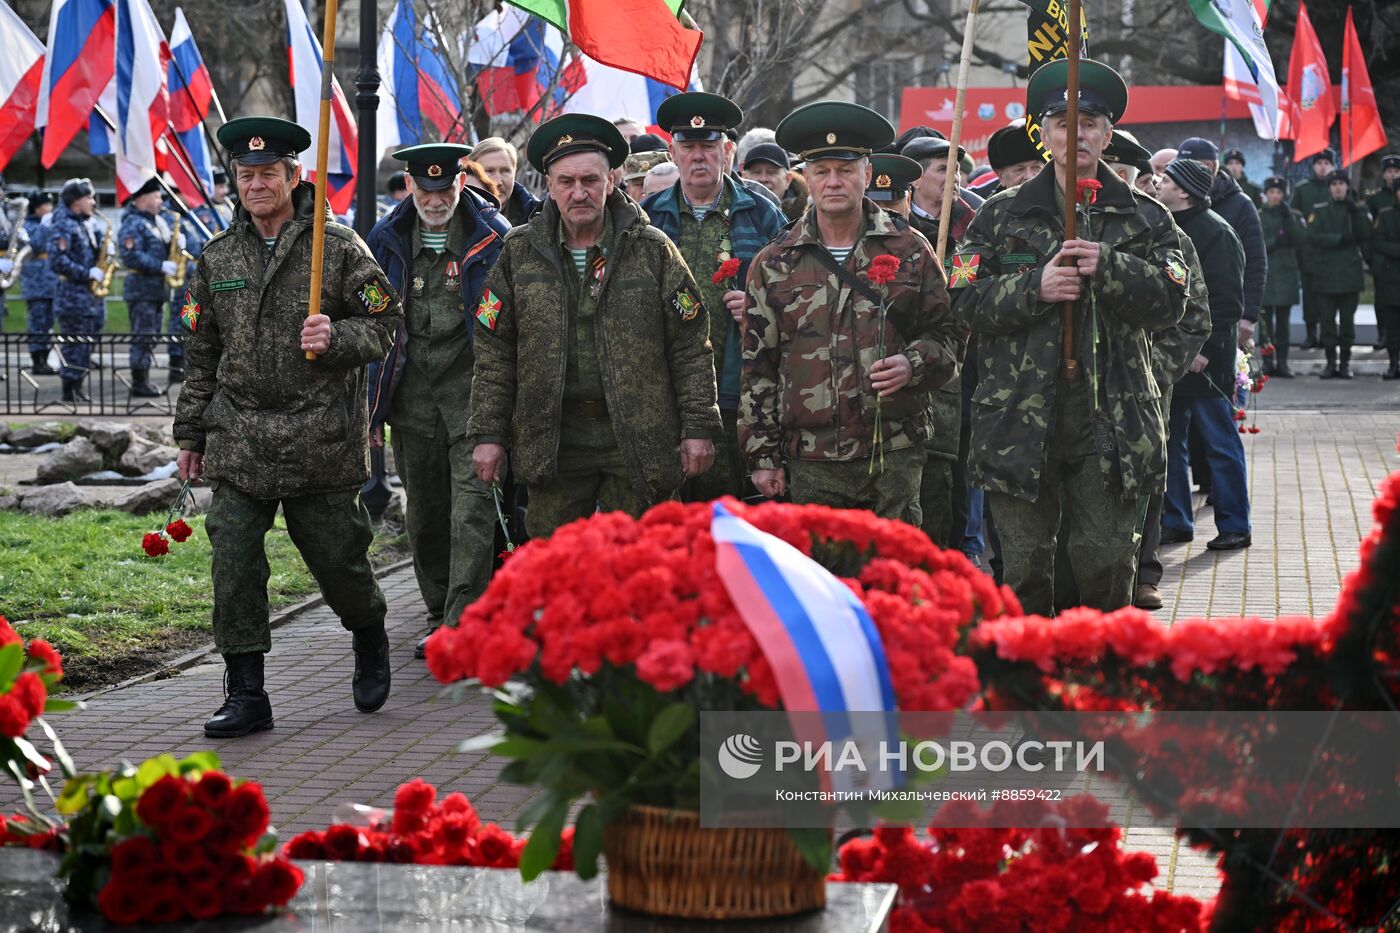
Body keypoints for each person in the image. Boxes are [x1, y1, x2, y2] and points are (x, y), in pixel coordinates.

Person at [174, 116, 402, 737]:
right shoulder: (218, 255)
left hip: (318, 436)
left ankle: (369, 631)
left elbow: (385, 324)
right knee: (235, 558)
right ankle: (246, 691)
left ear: (293, 175)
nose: (256, 185)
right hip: (240, 434)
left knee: (339, 561)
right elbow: (201, 351)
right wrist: (190, 434)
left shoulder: (337, 244)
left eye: (267, 174)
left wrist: (337, 335)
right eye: (245, 176)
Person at [951, 59, 1188, 616]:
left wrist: (1109, 267)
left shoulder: (1147, 217)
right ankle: (1030, 688)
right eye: (1062, 122)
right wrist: (1036, 286)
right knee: (1025, 568)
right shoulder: (997, 216)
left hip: (1111, 418)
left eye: (1090, 123)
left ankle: (1098, 685)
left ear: (1108, 135)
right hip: (1017, 417)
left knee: (1106, 564)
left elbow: (1174, 300)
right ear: (1044, 132)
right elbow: (961, 297)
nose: (1076, 133)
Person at [468, 114, 721, 537]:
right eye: (566, 181)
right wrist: (488, 433)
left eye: (590, 179)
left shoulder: (652, 251)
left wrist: (698, 427)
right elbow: (494, 352)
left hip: (639, 435)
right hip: (554, 437)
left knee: (648, 560)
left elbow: (691, 345)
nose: (579, 192)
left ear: (611, 181)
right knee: (556, 567)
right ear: (548, 185)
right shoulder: (519, 254)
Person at [742, 101, 960, 521]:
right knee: (824, 579)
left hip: (893, 451)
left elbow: (949, 336)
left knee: (896, 578)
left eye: (845, 170)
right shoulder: (774, 262)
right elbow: (758, 365)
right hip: (812, 458)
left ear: (866, 172)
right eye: (821, 172)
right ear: (806, 177)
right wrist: (761, 453)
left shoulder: (911, 249)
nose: (834, 182)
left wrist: (912, 364)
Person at [367, 143, 509, 657]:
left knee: (471, 513)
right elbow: (370, 327)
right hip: (411, 406)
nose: (435, 199)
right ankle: (436, 611)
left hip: (474, 402)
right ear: (409, 185)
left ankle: (461, 625)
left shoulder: (492, 239)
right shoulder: (384, 240)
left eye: (445, 188)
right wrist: (369, 410)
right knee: (424, 516)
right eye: (425, 190)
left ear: (461, 184)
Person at [640, 92, 784, 503]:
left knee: (733, 515)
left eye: (709, 147)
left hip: (742, 393)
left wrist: (758, 307)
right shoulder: (649, 218)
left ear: (729, 152)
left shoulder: (763, 214)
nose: (699, 157)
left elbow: (799, 294)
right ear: (673, 151)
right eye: (688, 147)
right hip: (666, 394)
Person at [1156, 158, 1250, 551]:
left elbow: (1227, 303)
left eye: (1166, 179)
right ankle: (1176, 520)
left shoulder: (1217, 233)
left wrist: (1204, 351)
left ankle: (1235, 524)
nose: (1158, 183)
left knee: (1220, 442)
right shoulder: (1167, 228)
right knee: (1170, 441)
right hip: (1175, 357)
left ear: (1185, 191)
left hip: (1206, 361)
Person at [898, 134, 975, 546]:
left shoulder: (973, 222)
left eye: (958, 168)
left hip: (966, 365)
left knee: (958, 479)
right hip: (914, 368)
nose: (955, 177)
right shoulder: (896, 225)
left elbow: (972, 283)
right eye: (944, 168)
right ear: (914, 178)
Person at [1178, 137, 1266, 353]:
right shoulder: (1181, 201)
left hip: (1225, 320)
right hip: (1185, 317)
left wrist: (1249, 316)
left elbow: (1256, 262)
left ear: (1208, 167)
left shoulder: (1240, 205)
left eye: (1185, 166)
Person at [118, 176, 182, 398]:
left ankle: (143, 378)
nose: (160, 201)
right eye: (156, 196)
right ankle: (139, 382)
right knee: (143, 335)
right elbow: (130, 255)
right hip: (141, 289)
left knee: (152, 335)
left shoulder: (158, 221)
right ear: (142, 198)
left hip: (157, 289)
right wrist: (160, 265)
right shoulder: (133, 223)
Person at [1307, 170, 1372, 379]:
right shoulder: (1319, 210)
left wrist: (1357, 214)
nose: (1338, 187)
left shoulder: (1357, 209)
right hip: (1325, 275)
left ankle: (1344, 363)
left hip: (1349, 275)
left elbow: (1365, 235)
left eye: (1341, 184)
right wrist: (1338, 239)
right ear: (1329, 187)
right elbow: (1313, 236)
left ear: (1347, 186)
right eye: (1334, 184)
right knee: (1326, 323)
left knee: (1346, 323)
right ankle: (1330, 363)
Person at [48, 178, 108, 403]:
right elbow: (57, 260)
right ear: (76, 202)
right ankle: (69, 390)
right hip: (73, 296)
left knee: (87, 343)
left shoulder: (86, 222)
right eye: (89, 198)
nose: (93, 202)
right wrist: (87, 273)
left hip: (89, 297)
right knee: (74, 344)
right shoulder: (64, 223)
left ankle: (79, 386)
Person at [1292, 148, 1338, 350]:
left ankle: (1329, 335)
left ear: (1332, 166)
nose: (1323, 167)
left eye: (1326, 163)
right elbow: (1294, 216)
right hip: (1309, 252)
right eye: (1319, 163)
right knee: (1310, 295)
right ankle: (1311, 334)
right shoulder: (1303, 189)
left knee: (1329, 295)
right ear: (1313, 166)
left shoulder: (1337, 187)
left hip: (1332, 253)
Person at [1259, 176, 1306, 378]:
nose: (1275, 196)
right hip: (1266, 273)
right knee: (1265, 321)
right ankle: (1268, 361)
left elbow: (1300, 239)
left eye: (1279, 193)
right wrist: (1273, 242)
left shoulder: (1292, 214)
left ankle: (1283, 362)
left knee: (1284, 322)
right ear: (1266, 194)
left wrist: (1288, 218)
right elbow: (1255, 242)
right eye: (1272, 192)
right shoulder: (1258, 214)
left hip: (1286, 272)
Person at [21, 192, 58, 375]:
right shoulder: (26, 225)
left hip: (51, 280)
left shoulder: (50, 224)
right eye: (46, 205)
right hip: (36, 282)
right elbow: (33, 245)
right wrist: (44, 227)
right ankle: (37, 360)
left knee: (48, 321)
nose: (50, 209)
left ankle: (45, 357)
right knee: (38, 321)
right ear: (37, 208)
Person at [470, 137, 540, 226]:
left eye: (505, 171)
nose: (498, 182)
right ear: (472, 175)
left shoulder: (536, 214)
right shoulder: (454, 212)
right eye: (489, 171)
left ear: (515, 173)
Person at [1373, 179, 1400, 379]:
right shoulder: (1385, 215)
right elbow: (1378, 242)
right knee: (1392, 327)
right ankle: (1393, 364)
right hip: (1391, 278)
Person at [983, 121, 1044, 196]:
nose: (1029, 176)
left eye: (1036, 167)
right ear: (1001, 176)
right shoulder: (990, 207)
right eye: (1020, 169)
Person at [866, 153, 921, 219]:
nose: (883, 211)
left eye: (891, 203)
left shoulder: (926, 229)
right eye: (873, 204)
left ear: (908, 201)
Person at [1364, 154, 1399, 223]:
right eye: (1389, 171)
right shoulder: (1375, 197)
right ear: (1383, 175)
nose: (1393, 175)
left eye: (1396, 171)